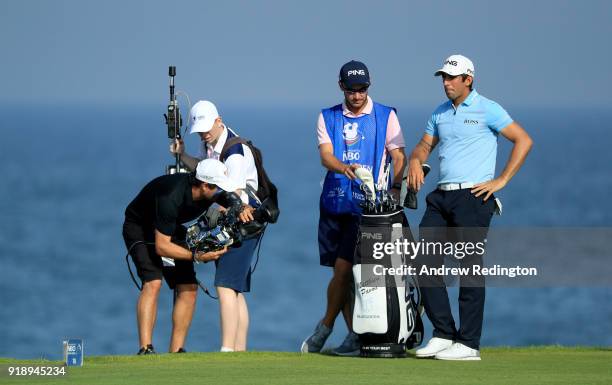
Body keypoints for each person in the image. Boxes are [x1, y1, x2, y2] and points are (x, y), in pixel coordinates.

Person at [408, 54, 533, 360]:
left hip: (474, 198)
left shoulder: (487, 108)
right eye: (443, 78)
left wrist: (501, 180)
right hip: (442, 197)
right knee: (424, 263)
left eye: (452, 77)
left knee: (469, 268)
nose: (446, 83)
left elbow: (523, 140)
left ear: (468, 79)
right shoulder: (439, 113)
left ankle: (469, 344)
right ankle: (443, 333)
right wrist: (414, 159)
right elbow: (425, 145)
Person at [300, 60, 407, 356]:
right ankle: (354, 335)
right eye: (352, 90)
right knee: (341, 274)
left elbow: (398, 156)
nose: (357, 95)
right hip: (334, 205)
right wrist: (343, 167)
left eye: (362, 89)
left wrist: (396, 187)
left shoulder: (386, 116)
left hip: (369, 210)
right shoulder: (327, 117)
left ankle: (329, 327)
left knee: (353, 271)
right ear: (341, 87)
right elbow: (326, 156)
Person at [123, 159, 253, 354]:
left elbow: (230, 199)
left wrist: (243, 208)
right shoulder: (171, 197)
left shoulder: (209, 191)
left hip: (168, 228)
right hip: (140, 228)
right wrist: (197, 256)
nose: (220, 192)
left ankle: (176, 351)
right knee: (153, 282)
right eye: (217, 187)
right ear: (204, 185)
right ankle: (146, 348)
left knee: (189, 288)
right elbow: (162, 247)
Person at [170, 100, 260, 352]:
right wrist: (182, 155)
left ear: (219, 121)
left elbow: (235, 191)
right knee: (235, 288)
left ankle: (228, 350)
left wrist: (209, 216)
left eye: (207, 128)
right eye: (200, 130)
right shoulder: (208, 143)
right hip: (232, 222)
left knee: (225, 285)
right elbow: (204, 172)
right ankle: (239, 351)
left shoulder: (235, 151)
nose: (204, 133)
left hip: (244, 221)